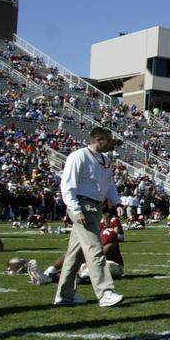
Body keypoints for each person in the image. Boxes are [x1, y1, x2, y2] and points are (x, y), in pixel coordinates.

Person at [55, 128, 124, 307]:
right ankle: (105, 292)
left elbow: (109, 185)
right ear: (99, 139)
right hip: (82, 206)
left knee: (75, 254)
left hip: (95, 207)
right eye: (108, 141)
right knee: (94, 248)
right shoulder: (78, 156)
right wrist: (75, 209)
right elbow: (67, 185)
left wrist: (117, 203)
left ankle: (64, 295)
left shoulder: (105, 160)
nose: (111, 144)